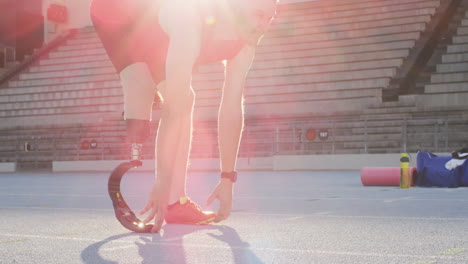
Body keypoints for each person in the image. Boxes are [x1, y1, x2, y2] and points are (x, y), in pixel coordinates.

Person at [90, 0, 277, 233]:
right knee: (150, 90)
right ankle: (142, 159)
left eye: (271, 18)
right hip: (118, 11)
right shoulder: (188, 19)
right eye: (259, 15)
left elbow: (231, 109)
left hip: (156, 34)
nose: (264, 25)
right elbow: (173, 109)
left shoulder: (245, 44)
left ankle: (176, 203)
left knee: (183, 98)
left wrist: (227, 178)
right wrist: (162, 180)